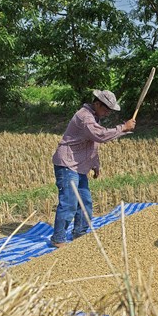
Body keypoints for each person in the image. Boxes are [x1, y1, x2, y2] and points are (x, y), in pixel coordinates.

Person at [50, 90, 136, 247]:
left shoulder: (94, 117)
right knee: (69, 202)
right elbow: (100, 136)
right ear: (97, 103)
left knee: (85, 202)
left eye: (110, 110)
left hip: (80, 166)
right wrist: (123, 127)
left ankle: (80, 234)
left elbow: (92, 143)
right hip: (68, 164)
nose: (108, 112)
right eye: (106, 109)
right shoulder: (85, 117)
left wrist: (95, 164)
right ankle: (58, 238)